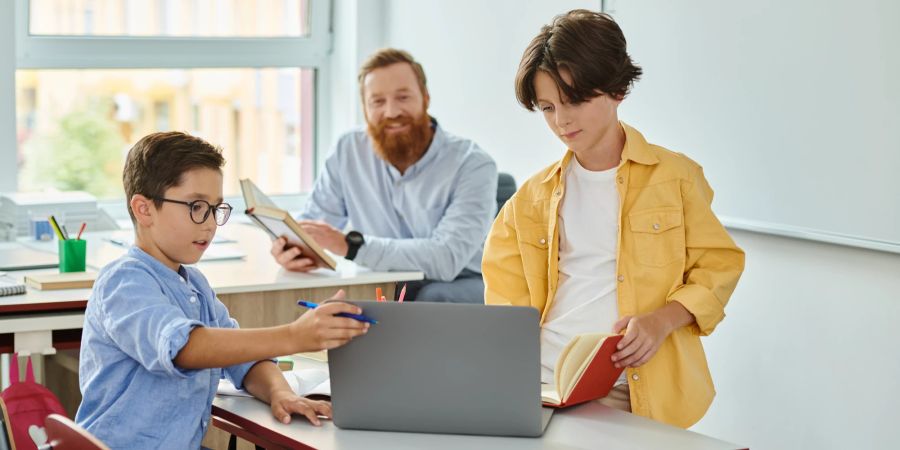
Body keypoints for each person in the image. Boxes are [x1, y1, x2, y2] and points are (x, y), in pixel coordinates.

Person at [481, 10, 745, 428]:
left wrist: (663, 320)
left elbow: (719, 266)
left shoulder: (677, 178)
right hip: (540, 384)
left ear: (617, 90)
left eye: (574, 101)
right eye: (548, 107)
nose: (561, 120)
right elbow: (505, 312)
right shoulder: (526, 203)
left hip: (632, 389)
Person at [75, 132, 369, 449]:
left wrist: (280, 392)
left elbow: (245, 360)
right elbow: (184, 348)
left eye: (216, 208)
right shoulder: (124, 281)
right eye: (197, 206)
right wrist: (294, 335)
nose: (211, 223)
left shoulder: (195, 285)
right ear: (144, 209)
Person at [270, 48, 498, 303]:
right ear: (365, 108)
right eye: (377, 101)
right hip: (382, 279)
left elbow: (446, 259)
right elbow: (313, 223)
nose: (391, 112)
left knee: (431, 297)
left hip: (459, 282)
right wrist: (293, 248)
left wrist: (353, 246)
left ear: (426, 98)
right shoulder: (348, 150)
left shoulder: (474, 164)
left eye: (403, 97)